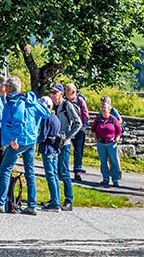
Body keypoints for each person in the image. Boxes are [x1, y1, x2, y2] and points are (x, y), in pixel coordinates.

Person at [0, 76, 48, 214]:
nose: (4, 89)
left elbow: (18, 119)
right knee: (30, 172)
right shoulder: (29, 100)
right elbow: (45, 113)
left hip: (18, 141)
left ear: (9, 88)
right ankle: (32, 205)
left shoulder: (15, 102)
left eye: (6, 86)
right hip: (31, 140)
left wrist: (14, 138)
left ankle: (0, 203)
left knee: (5, 169)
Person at [46, 83, 82, 211]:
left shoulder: (67, 105)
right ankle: (55, 198)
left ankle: (68, 200)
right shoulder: (52, 105)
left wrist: (67, 136)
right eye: (51, 92)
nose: (52, 95)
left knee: (64, 172)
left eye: (55, 92)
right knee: (53, 172)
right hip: (53, 143)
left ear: (61, 94)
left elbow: (78, 123)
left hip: (64, 144)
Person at [92, 95, 123, 187]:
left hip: (111, 143)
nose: (103, 109)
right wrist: (95, 138)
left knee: (114, 161)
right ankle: (105, 178)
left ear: (109, 109)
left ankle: (115, 179)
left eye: (105, 108)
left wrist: (117, 138)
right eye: (102, 108)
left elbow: (119, 130)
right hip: (101, 142)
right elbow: (93, 128)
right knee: (103, 161)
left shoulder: (113, 119)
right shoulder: (98, 118)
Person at [65, 83, 90, 178]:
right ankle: (64, 169)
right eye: (66, 90)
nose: (66, 92)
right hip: (68, 127)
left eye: (68, 90)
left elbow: (85, 113)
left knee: (78, 150)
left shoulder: (80, 100)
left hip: (79, 128)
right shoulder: (64, 101)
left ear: (73, 91)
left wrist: (84, 126)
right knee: (65, 148)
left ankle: (77, 170)